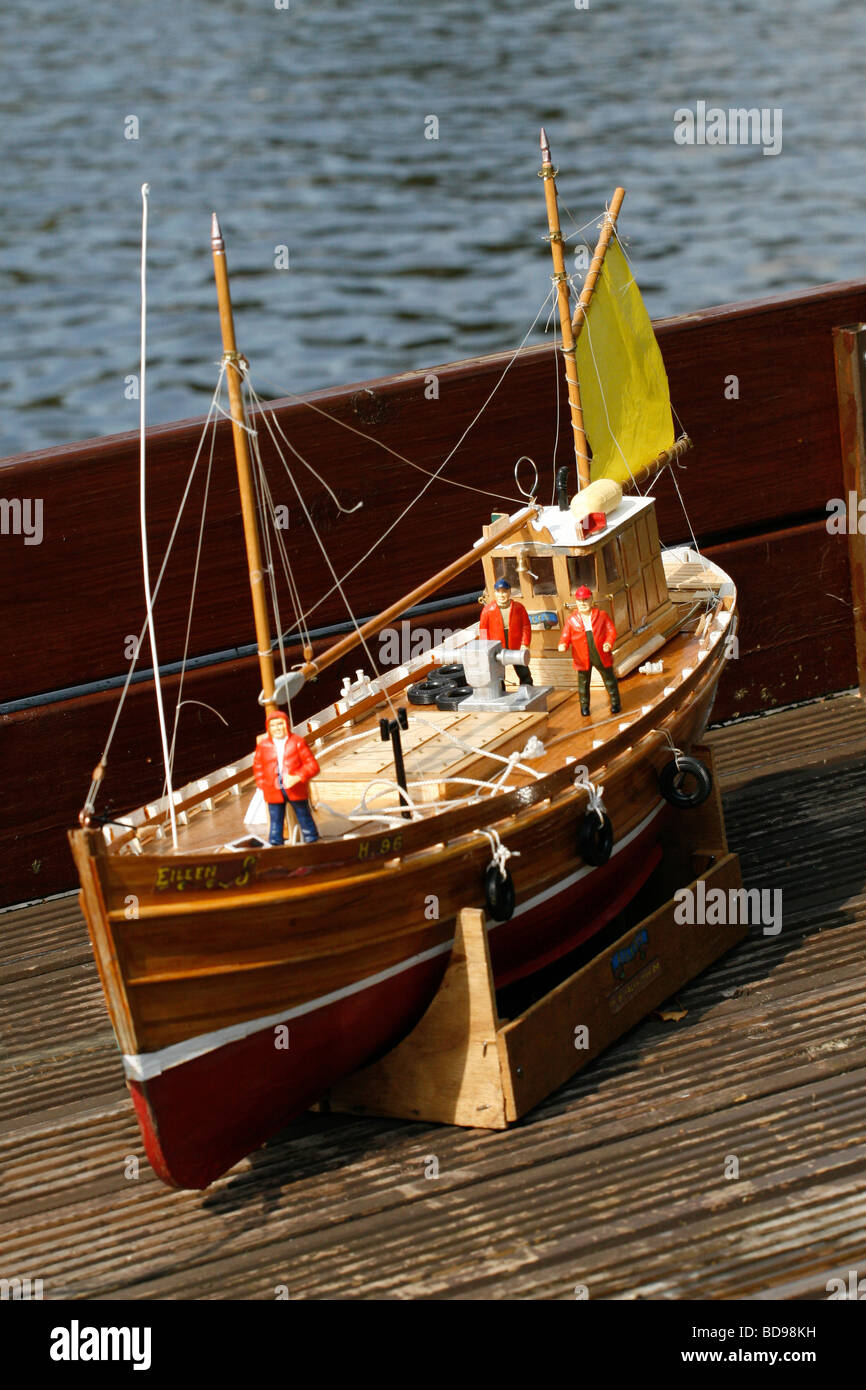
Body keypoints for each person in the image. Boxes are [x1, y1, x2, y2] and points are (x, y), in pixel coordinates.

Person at [253, 711, 320, 845]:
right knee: (276, 821)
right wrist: (262, 784)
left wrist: (298, 777)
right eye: (273, 725)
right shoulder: (263, 746)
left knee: (304, 816)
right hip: (273, 790)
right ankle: (275, 844)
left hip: (295, 788)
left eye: (280, 724)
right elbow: (258, 766)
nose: (277, 728)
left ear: (286, 725)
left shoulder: (297, 742)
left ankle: (312, 841)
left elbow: (313, 766)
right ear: (268, 728)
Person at [558, 585, 621, 717]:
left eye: (586, 600)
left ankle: (615, 703)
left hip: (600, 653)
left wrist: (608, 643)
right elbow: (565, 635)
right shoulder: (572, 620)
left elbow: (611, 630)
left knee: (609, 678)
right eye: (580, 600)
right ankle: (584, 706)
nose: (583, 603)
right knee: (583, 683)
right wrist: (563, 644)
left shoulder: (602, 616)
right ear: (576, 602)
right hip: (581, 656)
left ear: (591, 600)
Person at [479, 578, 533, 685]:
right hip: (497, 645)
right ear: (494, 593)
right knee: (498, 673)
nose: (501, 595)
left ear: (509, 592)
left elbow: (526, 626)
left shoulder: (519, 608)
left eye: (504, 592)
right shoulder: (488, 610)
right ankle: (500, 691)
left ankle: (527, 688)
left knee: (523, 670)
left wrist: (524, 643)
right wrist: (486, 646)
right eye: (498, 592)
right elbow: (483, 630)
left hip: (516, 644)